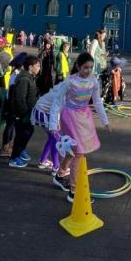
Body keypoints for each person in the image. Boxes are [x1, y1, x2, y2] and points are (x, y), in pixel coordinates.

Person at [49, 52, 110, 203]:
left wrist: (105, 121)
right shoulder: (70, 81)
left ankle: (61, 174)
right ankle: (74, 191)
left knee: (73, 151)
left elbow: (97, 101)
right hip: (70, 117)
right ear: (78, 66)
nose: (88, 70)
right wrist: (53, 124)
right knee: (79, 152)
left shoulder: (93, 81)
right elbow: (57, 101)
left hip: (84, 117)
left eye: (91, 67)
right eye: (85, 67)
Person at [7, 55, 40, 168]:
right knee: (21, 134)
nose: (39, 68)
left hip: (28, 113)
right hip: (23, 114)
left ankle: (20, 150)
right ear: (30, 67)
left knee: (28, 131)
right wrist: (24, 113)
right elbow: (20, 98)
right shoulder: (25, 79)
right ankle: (14, 158)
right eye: (37, 65)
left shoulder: (30, 77)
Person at [31, 81, 65, 173]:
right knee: (55, 138)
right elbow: (57, 108)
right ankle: (56, 167)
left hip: (42, 110)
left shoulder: (66, 85)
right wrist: (57, 122)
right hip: (44, 113)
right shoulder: (66, 91)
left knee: (52, 137)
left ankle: (43, 161)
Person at [1, 52, 27, 156]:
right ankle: (5, 147)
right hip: (11, 103)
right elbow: (12, 92)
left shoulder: (16, 74)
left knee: (11, 126)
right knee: (10, 126)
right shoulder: (16, 75)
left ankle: (7, 146)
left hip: (11, 102)